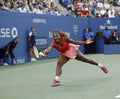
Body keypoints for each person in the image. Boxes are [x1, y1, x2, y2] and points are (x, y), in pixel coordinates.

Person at [42, 30, 108, 87]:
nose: (55, 37)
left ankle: (100, 65)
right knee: (59, 64)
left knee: (87, 60)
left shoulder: (65, 38)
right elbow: (49, 49)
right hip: (64, 54)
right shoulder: (53, 43)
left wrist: (84, 42)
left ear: (60, 36)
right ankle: (57, 80)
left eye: (57, 36)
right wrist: (45, 52)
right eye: (54, 36)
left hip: (72, 50)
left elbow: (74, 42)